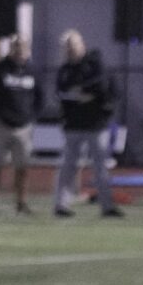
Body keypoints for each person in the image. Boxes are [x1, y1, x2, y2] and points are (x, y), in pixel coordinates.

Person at [53, 29, 121, 219]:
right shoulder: (65, 70)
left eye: (74, 45)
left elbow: (102, 86)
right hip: (73, 125)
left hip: (95, 124)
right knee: (68, 167)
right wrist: (79, 96)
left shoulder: (95, 65)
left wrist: (84, 92)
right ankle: (61, 205)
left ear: (82, 45)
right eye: (67, 47)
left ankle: (107, 206)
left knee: (100, 166)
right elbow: (62, 93)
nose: (71, 50)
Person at [0, 33, 43, 218]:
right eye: (16, 47)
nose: (19, 50)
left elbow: (40, 97)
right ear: (10, 49)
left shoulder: (33, 71)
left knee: (22, 168)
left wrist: (32, 115)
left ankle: (21, 204)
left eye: (22, 47)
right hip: (1, 125)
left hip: (24, 127)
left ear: (28, 50)